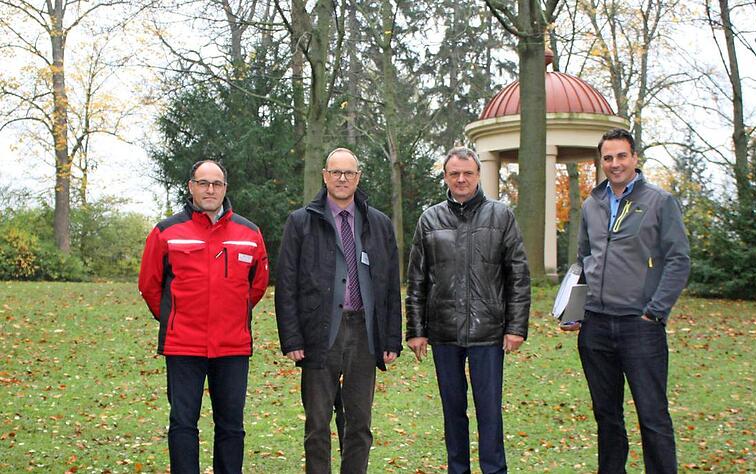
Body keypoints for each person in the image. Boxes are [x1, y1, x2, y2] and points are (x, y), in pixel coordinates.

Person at [561, 128, 690, 473]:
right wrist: (574, 311)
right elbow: (584, 260)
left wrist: (656, 311)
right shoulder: (592, 204)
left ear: (634, 158)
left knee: (652, 415)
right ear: (600, 162)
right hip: (596, 328)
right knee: (607, 416)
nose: (615, 164)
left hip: (640, 326)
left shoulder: (659, 202)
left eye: (621, 156)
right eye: (608, 158)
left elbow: (679, 259)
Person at [138, 160, 269, 474]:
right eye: (203, 183)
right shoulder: (166, 231)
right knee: (183, 423)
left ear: (225, 188)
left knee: (231, 426)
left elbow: (258, 284)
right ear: (191, 186)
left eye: (217, 184)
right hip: (184, 345)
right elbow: (150, 285)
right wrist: (174, 318)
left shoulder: (249, 233)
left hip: (232, 346)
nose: (210, 189)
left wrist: (233, 313)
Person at [275, 148, 402, 473]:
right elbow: (286, 285)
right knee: (318, 424)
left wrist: (391, 338)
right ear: (324, 175)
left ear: (358, 177)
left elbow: (389, 285)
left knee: (359, 423)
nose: (342, 179)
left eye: (349, 173)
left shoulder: (379, 224)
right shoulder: (301, 222)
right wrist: (292, 339)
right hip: (320, 332)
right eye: (336, 172)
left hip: (363, 333)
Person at [406, 146, 531, 474]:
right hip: (444, 331)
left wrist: (516, 327)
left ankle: (494, 470)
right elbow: (416, 278)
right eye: (454, 174)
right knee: (453, 411)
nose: (461, 179)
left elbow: (517, 274)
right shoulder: (430, 219)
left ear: (478, 175)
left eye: (468, 173)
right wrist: (416, 330)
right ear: (446, 176)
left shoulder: (501, 216)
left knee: (489, 412)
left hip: (488, 332)